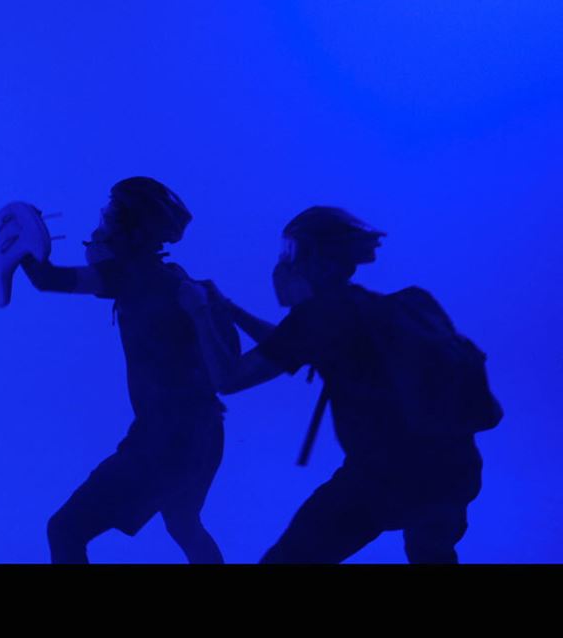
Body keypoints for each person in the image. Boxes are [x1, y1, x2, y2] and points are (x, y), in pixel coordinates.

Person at [179, 206, 495, 563]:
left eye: (293, 251)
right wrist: (231, 309)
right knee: (431, 554)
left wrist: (199, 311)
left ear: (320, 261)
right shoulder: (371, 309)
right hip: (454, 468)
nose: (284, 263)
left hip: (383, 478)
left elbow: (230, 378)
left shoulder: (318, 318)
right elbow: (286, 347)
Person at [20, 177, 235, 564]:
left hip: (165, 440)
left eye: (110, 218)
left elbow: (46, 279)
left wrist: (21, 238)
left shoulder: (133, 275)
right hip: (204, 434)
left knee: (65, 529)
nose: (100, 228)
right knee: (184, 524)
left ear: (133, 230)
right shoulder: (170, 277)